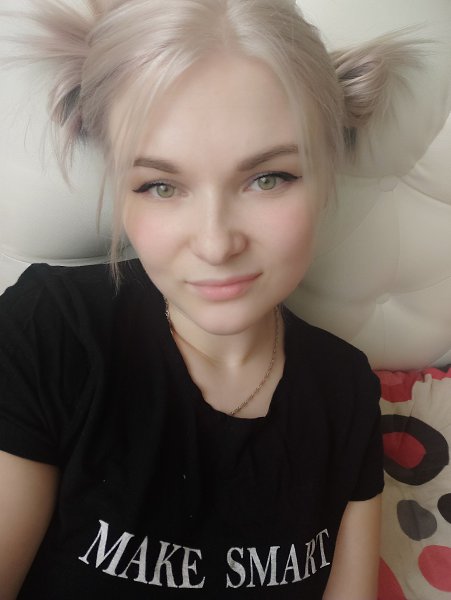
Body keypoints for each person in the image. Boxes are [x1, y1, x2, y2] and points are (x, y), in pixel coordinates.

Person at [0, 0, 418, 597]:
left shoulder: (345, 387)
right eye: (160, 186)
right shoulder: (51, 330)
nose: (217, 244)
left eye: (268, 178)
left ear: (326, 172)